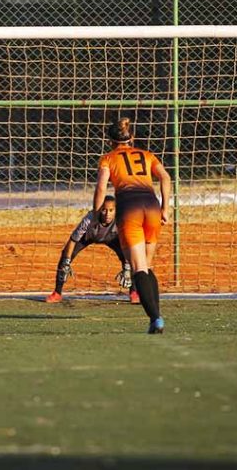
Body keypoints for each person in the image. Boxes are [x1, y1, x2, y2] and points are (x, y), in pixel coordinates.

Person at [93, 117, 171, 334]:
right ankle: (156, 315)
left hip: (129, 208)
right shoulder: (147, 155)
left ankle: (155, 318)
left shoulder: (107, 159)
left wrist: (96, 213)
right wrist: (165, 208)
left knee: (138, 268)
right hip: (152, 206)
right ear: (132, 138)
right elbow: (165, 178)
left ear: (110, 141)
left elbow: (101, 188)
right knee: (147, 265)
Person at [46, 195, 137, 303]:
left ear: (116, 210)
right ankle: (57, 293)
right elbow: (73, 240)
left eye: (111, 210)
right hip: (87, 237)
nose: (107, 214)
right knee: (66, 255)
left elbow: (127, 244)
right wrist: (66, 262)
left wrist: (127, 266)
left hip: (112, 238)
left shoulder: (120, 220)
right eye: (104, 210)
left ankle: (133, 292)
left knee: (131, 258)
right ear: (99, 209)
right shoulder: (90, 219)